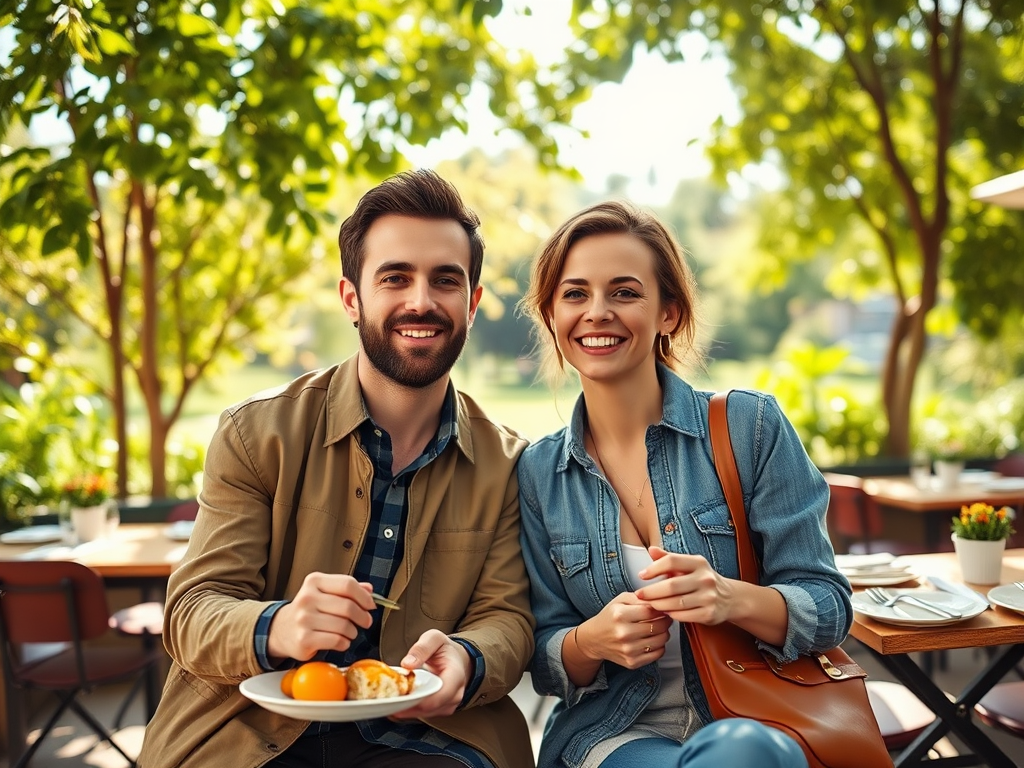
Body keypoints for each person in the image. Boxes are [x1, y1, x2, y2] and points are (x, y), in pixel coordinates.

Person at [137, 169, 535, 768]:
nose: (421, 301)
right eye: (395, 277)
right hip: (248, 732)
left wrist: (468, 659)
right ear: (352, 298)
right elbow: (192, 610)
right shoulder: (256, 434)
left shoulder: (507, 463)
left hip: (430, 738)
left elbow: (507, 617)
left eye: (445, 280)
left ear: (472, 303)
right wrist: (279, 625)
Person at [516, 200, 852, 768]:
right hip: (613, 734)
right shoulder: (538, 474)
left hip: (757, 714)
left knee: (742, 753)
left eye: (624, 292)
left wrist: (729, 598)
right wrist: (590, 641)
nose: (597, 312)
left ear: (668, 312)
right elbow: (546, 659)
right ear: (551, 315)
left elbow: (828, 605)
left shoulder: (751, 429)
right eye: (574, 294)